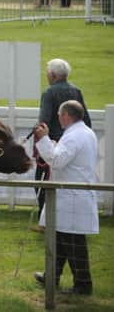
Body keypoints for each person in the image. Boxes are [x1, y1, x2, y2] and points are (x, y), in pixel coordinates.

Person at [32, 100, 98, 296]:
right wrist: (52, 144)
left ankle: (83, 284)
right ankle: (51, 276)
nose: (58, 118)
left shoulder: (74, 136)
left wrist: (43, 140)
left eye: (60, 115)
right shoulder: (82, 132)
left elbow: (57, 161)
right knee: (60, 238)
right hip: (70, 195)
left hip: (71, 196)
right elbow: (64, 156)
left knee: (72, 242)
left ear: (67, 115)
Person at [32, 58, 91, 232]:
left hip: (52, 143)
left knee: (42, 182)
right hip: (74, 142)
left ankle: (45, 223)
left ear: (52, 75)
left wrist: (41, 141)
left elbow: (43, 120)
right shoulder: (76, 91)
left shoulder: (49, 92)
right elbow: (85, 118)